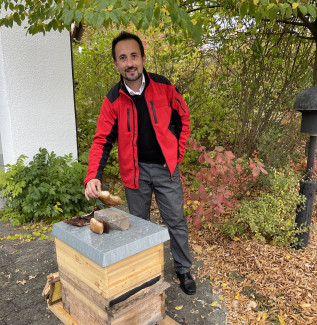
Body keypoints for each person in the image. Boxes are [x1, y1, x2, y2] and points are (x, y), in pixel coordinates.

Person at [84, 31, 196, 295]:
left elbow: (184, 118)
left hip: (166, 169)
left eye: (134, 56)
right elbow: (102, 140)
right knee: (138, 225)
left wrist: (176, 155)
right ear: (116, 64)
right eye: (123, 58)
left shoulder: (164, 86)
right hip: (135, 173)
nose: (129, 62)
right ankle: (144, 273)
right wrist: (93, 175)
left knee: (176, 222)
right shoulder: (113, 99)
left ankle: (183, 270)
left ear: (143, 58)